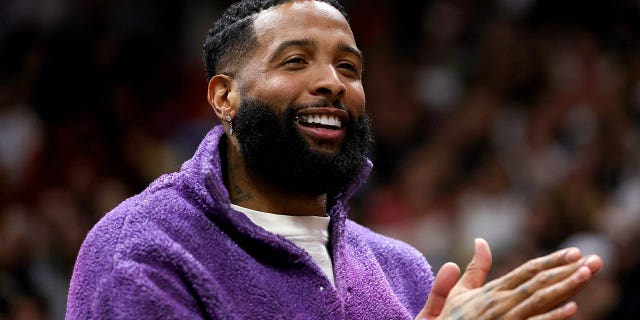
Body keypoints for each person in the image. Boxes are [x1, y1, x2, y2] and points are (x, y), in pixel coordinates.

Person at [66, 0, 603, 319]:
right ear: (224, 97)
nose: (332, 82)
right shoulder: (144, 248)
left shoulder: (403, 272)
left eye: (349, 68)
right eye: (296, 61)